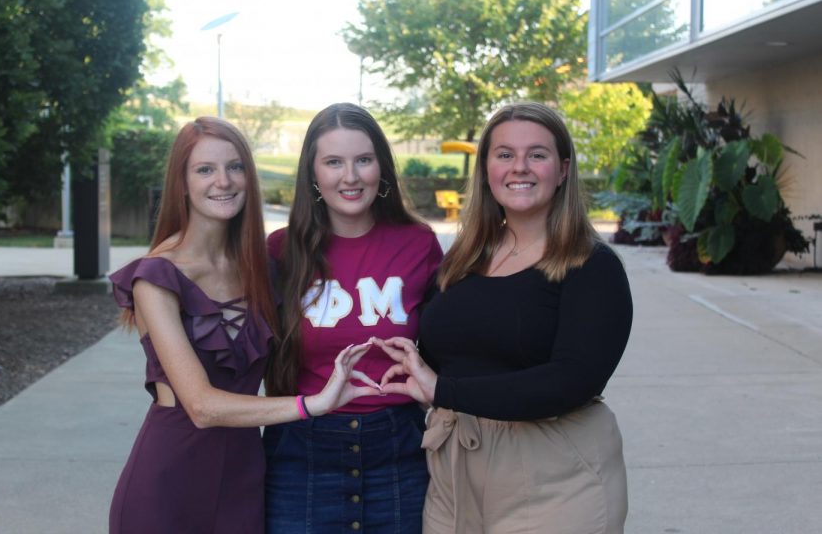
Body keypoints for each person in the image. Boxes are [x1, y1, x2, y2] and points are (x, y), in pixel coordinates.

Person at [107, 117, 379, 534]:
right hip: (169, 483)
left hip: (245, 481)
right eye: (205, 169)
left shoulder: (263, 268)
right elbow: (200, 406)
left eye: (235, 167)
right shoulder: (156, 276)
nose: (223, 181)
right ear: (181, 183)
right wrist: (314, 404)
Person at [374, 102, 633, 533]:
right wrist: (420, 376)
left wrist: (444, 388)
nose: (520, 167)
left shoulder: (592, 265)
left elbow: (573, 379)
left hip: (554, 472)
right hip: (453, 469)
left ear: (563, 168)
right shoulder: (464, 258)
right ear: (487, 169)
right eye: (505, 154)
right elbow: (448, 353)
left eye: (537, 154)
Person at [263, 103, 443, 533]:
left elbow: (450, 344)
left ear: (380, 167)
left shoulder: (418, 243)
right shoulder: (280, 251)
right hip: (302, 451)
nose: (350, 176)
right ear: (313, 173)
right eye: (333, 162)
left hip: (399, 451)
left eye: (363, 160)